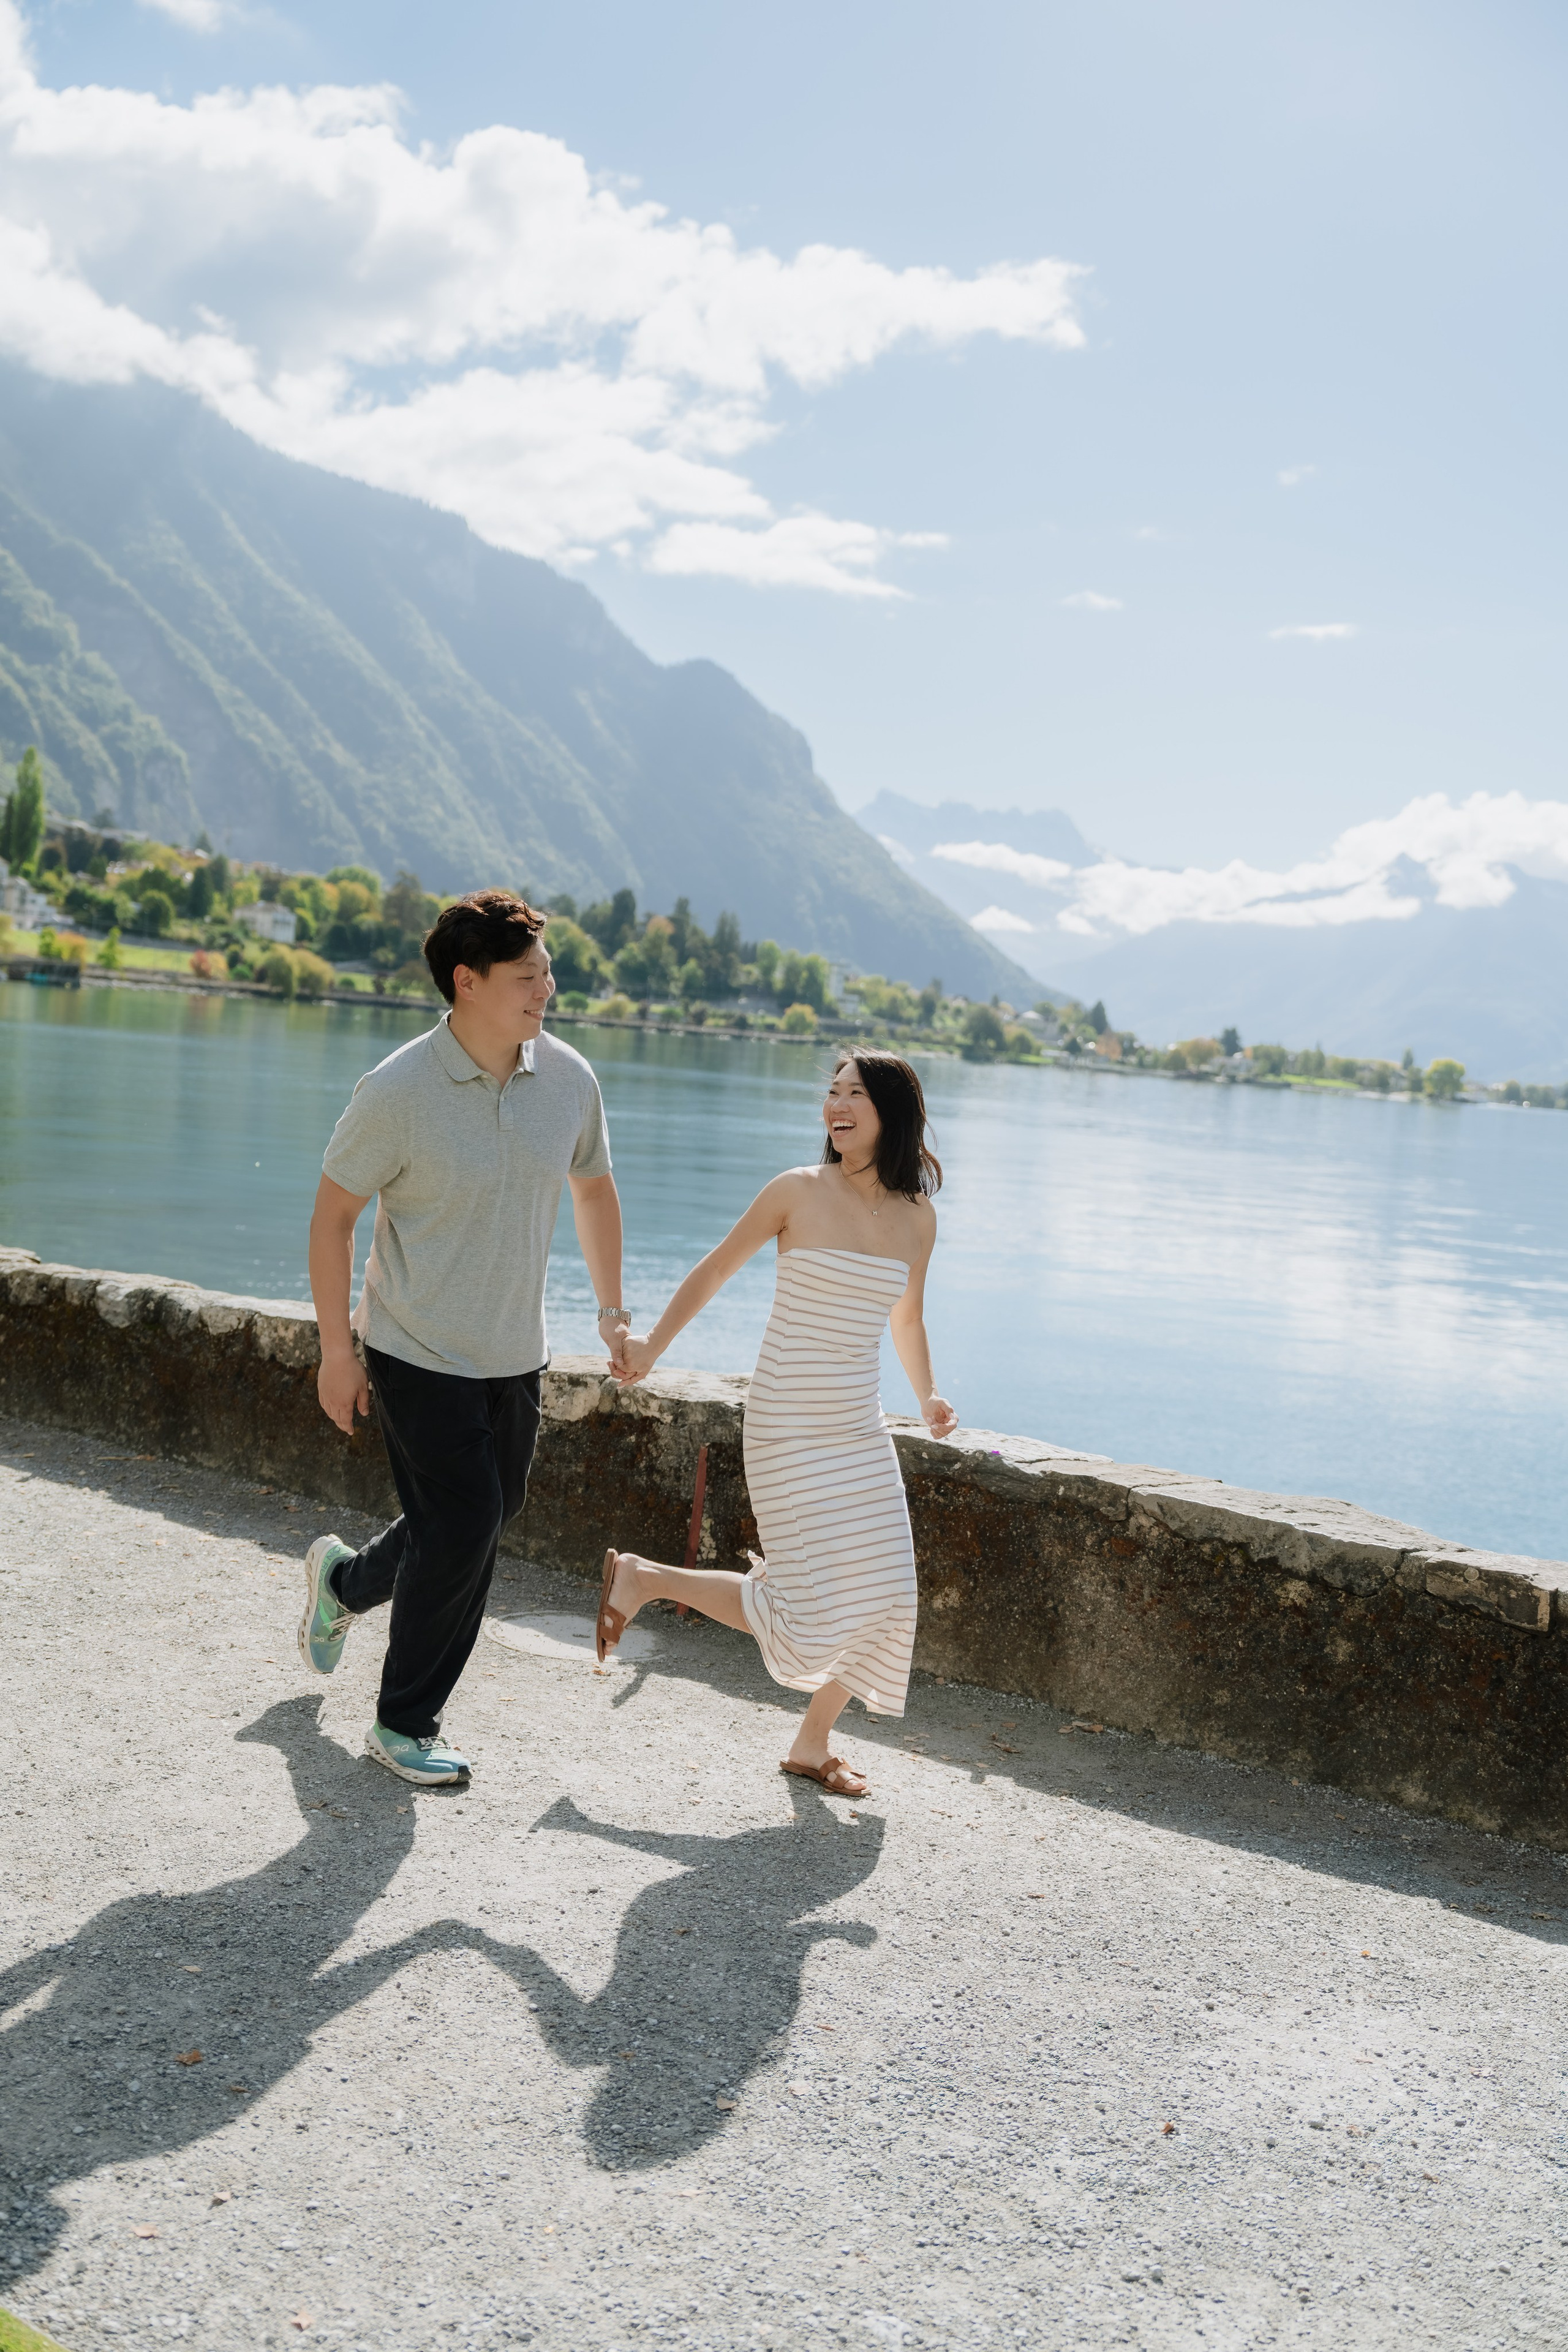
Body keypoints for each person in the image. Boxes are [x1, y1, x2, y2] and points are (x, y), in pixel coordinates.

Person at [298, 889, 630, 1788]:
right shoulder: (399, 1089)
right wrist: (338, 1350)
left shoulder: (568, 1079)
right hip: (415, 1348)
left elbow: (593, 1189)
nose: (548, 990)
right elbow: (334, 1218)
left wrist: (612, 1311)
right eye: (528, 977)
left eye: (549, 972)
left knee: (475, 1517)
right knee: (469, 1519)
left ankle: (344, 1584)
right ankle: (405, 1723)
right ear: (467, 984)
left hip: (515, 1351)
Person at [598, 1049, 957, 1798]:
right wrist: (649, 1349)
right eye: (830, 1093)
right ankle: (645, 1578)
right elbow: (715, 1269)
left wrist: (926, 1395)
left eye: (854, 1093)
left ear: (892, 1110)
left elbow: (908, 1318)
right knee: (799, 1603)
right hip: (787, 1420)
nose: (835, 1105)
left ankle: (810, 1740)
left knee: (891, 1591)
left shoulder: (919, 1219)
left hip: (857, 1423)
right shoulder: (795, 1190)